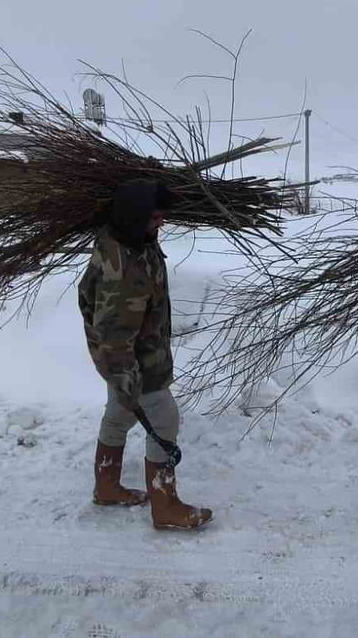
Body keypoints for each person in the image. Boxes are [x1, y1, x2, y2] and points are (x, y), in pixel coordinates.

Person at [78, 179, 213, 531]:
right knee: (164, 419)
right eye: (154, 217)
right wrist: (127, 379)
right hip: (135, 362)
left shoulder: (133, 239)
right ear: (134, 218)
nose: (161, 223)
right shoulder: (124, 272)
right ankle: (164, 505)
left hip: (136, 353)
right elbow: (113, 336)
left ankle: (106, 486)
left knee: (119, 415)